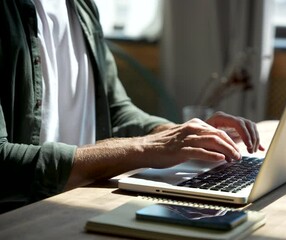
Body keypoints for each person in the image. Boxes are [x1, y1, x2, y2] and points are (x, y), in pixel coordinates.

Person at [0, 0, 264, 213]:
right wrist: (146, 148)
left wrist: (189, 137)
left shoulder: (82, 7)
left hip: (85, 202)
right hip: (26, 215)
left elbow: (117, 110)